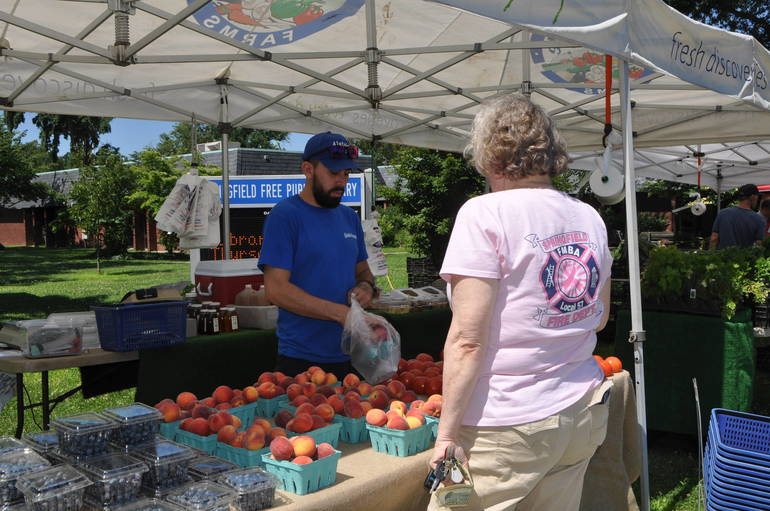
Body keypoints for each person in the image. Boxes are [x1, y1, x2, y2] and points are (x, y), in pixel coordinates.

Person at [428, 94, 614, 511]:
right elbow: (598, 317)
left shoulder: (484, 214)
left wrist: (447, 435)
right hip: (582, 406)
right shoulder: (588, 216)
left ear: (487, 153)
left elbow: (467, 341)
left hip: (510, 420)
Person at [259, 132, 377, 379]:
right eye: (333, 173)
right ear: (308, 169)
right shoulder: (285, 216)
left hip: (352, 356)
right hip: (301, 361)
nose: (342, 182)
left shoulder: (349, 217)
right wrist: (340, 314)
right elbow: (276, 290)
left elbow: (363, 271)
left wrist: (366, 287)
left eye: (346, 174)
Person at [709, 184, 765, 249]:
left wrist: (711, 255)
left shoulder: (723, 213)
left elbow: (714, 239)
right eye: (757, 196)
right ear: (752, 197)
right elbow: (759, 244)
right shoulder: (758, 219)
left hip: (721, 257)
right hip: (745, 258)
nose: (757, 199)